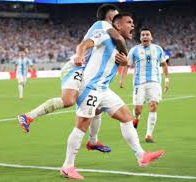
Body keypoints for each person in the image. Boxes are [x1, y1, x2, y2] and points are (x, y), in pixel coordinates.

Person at [60, 13, 165, 180]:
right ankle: (67, 166)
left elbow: (124, 64)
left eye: (133, 23)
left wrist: (124, 63)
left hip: (103, 89)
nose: (132, 26)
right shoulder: (104, 36)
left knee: (126, 116)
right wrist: (80, 54)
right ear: (118, 26)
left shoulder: (120, 47)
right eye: (129, 22)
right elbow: (84, 44)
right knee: (82, 125)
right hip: (90, 88)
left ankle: (141, 155)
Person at [18, 4, 128, 153]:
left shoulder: (105, 34)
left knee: (97, 107)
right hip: (76, 67)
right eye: (116, 16)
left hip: (86, 73)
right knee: (68, 101)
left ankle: (93, 142)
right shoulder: (102, 25)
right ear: (109, 17)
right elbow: (87, 44)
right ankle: (28, 116)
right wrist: (81, 56)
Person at [119, 28, 169, 143]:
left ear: (151, 37)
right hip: (139, 83)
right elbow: (127, 65)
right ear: (140, 38)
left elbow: (164, 64)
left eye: (147, 35)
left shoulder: (158, 49)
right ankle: (136, 118)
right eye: (143, 35)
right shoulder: (134, 50)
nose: (145, 37)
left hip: (155, 82)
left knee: (153, 106)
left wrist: (166, 80)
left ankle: (148, 135)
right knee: (138, 109)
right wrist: (122, 79)